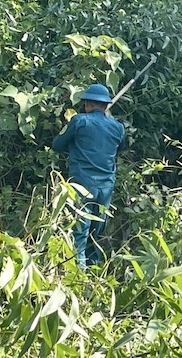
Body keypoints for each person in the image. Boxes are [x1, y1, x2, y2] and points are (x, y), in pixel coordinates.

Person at [52, 83, 124, 267]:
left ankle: (77, 275)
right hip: (105, 187)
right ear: (106, 106)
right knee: (95, 234)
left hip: (82, 185)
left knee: (79, 233)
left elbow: (57, 145)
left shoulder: (79, 121)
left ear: (87, 104)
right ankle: (93, 277)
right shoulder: (118, 128)